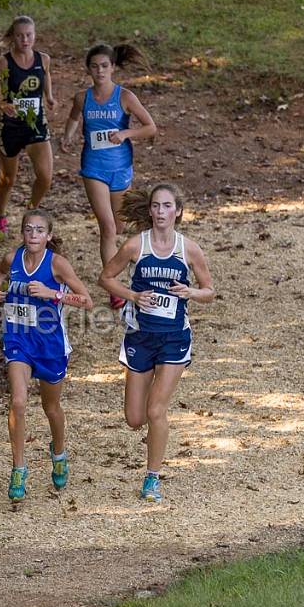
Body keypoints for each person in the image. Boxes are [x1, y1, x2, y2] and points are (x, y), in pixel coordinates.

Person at [98, 184, 214, 502]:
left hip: (175, 338)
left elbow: (209, 291)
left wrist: (191, 292)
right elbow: (105, 278)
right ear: (149, 211)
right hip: (140, 336)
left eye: (167, 206)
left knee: (156, 410)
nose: (161, 212)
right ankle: (151, 407)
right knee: (135, 419)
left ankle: (152, 478)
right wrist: (133, 295)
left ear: (177, 211)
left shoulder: (188, 249)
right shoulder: (137, 245)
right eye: (156, 206)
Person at [0, 210, 94, 502]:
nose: (33, 235)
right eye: (28, 229)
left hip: (50, 346)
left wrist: (53, 294)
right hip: (18, 340)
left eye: (39, 230)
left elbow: (87, 301)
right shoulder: (13, 259)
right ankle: (18, 468)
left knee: (51, 408)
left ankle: (59, 452)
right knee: (19, 402)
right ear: (23, 233)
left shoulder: (57, 264)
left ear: (48, 236)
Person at [61, 43, 157, 308]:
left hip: (121, 167)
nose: (100, 71)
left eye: (105, 66)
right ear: (89, 69)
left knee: (119, 226)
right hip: (93, 167)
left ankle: (121, 269)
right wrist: (67, 135)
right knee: (108, 227)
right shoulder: (83, 97)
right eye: (94, 66)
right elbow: (73, 117)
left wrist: (126, 134)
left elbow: (150, 127)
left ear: (113, 67)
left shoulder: (125, 97)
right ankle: (113, 287)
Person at [0, 15, 56, 233]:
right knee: (8, 180)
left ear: (35, 35)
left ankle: (31, 213)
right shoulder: (4, 63)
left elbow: (46, 75)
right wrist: (1, 104)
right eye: (20, 35)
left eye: (29, 35)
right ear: (13, 37)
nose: (25, 40)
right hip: (11, 127)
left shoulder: (43, 59)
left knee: (45, 178)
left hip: (36, 125)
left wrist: (49, 96)